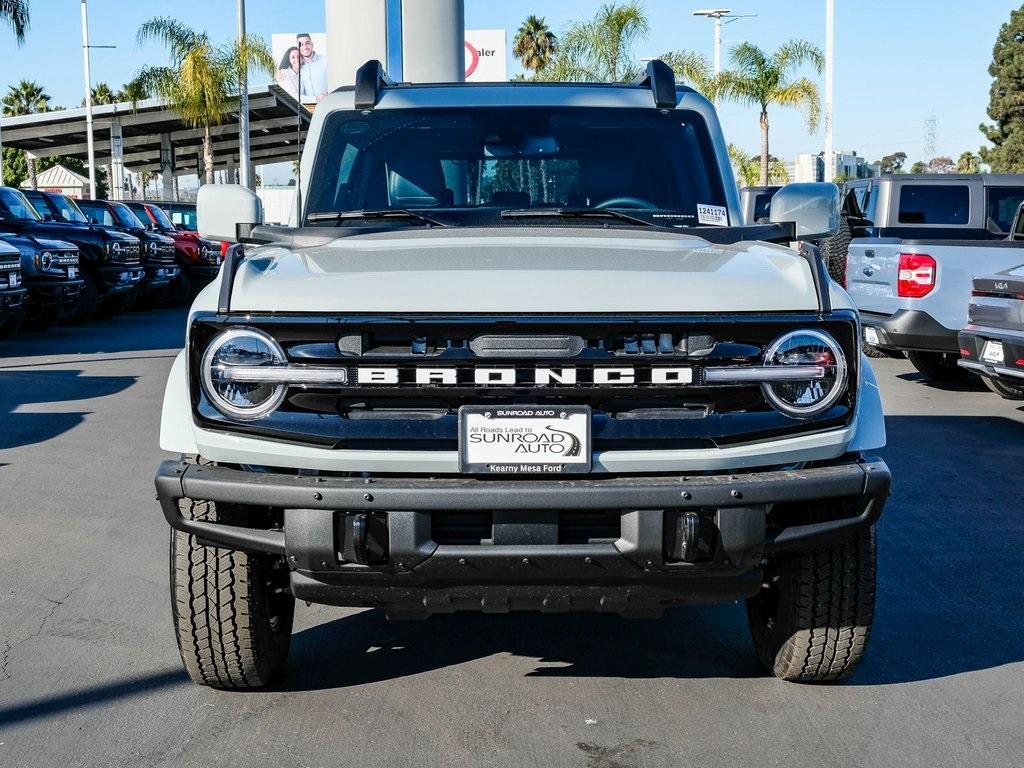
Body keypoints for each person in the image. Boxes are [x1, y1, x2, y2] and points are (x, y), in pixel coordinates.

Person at [296, 33, 328, 103]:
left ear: (312, 44)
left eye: (307, 43)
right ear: (298, 48)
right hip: (309, 109)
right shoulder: (298, 68)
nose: (305, 47)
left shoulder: (326, 60)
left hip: (328, 105)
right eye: (301, 45)